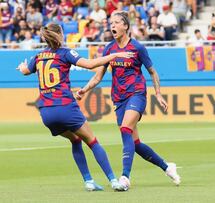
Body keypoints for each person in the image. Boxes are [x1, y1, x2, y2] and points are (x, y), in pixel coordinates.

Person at [16, 23, 134, 191]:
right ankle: (114, 181)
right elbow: (90, 64)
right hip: (65, 107)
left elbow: (25, 71)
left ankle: (88, 181)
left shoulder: (38, 56)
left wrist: (21, 67)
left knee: (75, 139)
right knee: (92, 141)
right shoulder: (65, 53)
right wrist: (114, 55)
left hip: (46, 113)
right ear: (59, 34)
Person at [76, 11, 181, 191]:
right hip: (119, 98)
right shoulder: (109, 49)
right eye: (111, 23)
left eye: (117, 23)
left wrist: (158, 94)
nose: (112, 26)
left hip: (137, 94)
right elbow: (98, 76)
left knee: (125, 128)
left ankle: (125, 177)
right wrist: (85, 89)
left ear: (126, 26)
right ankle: (166, 166)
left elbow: (153, 72)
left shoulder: (137, 48)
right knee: (135, 143)